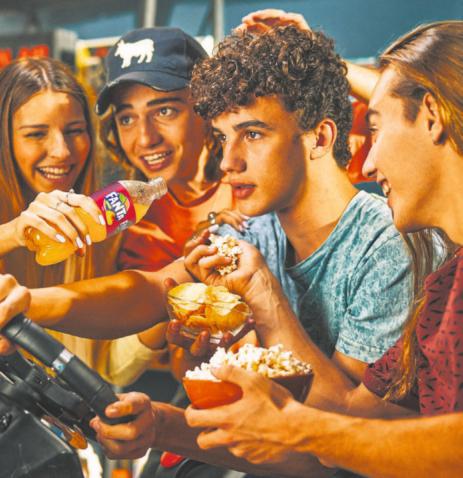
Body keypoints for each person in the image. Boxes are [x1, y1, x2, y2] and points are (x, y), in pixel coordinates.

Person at [13, 23, 416, 478]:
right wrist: (27, 302)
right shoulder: (251, 226)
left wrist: (265, 297)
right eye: (223, 138)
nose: (227, 161)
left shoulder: (385, 247)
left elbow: (346, 442)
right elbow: (154, 291)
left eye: (252, 134)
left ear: (319, 138)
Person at [173, 19, 463, 477]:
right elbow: (362, 421)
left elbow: (348, 436)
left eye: (376, 128)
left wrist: (298, 428)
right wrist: (162, 424)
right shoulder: (446, 287)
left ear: (432, 116)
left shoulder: (394, 248)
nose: (368, 163)